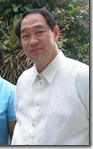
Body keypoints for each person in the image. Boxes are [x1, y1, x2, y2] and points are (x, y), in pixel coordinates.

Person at [11, 9, 89, 145]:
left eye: (39, 32)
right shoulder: (23, 80)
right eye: (25, 36)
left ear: (56, 33)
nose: (33, 41)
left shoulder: (83, 77)